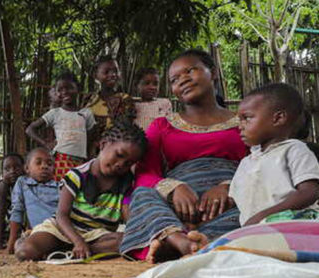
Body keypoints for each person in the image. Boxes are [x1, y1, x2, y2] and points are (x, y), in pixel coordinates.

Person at [120, 49, 248, 263]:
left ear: (213, 73)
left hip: (231, 202)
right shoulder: (162, 125)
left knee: (256, 208)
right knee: (142, 194)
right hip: (178, 208)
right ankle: (181, 240)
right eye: (175, 79)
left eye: (190, 70)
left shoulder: (245, 123)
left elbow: (260, 164)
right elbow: (146, 173)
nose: (183, 80)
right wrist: (174, 189)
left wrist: (229, 187)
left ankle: (187, 241)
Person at [16, 120, 146, 261]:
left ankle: (68, 253)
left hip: (96, 236)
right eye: (119, 155)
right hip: (63, 230)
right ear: (103, 145)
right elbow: (62, 216)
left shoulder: (126, 183)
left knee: (125, 241)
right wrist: (78, 241)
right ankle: (39, 243)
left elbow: (129, 218)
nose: (121, 164)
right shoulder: (77, 175)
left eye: (129, 163)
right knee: (25, 252)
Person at [230, 83, 319, 225]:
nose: (240, 126)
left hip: (296, 226)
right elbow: (238, 201)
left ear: (278, 118)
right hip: (257, 233)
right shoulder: (247, 162)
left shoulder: (294, 150)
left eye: (247, 118)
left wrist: (263, 216)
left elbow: (310, 192)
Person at [25, 72, 96, 181]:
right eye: (60, 90)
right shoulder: (55, 113)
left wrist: (89, 157)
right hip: (60, 159)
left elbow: (91, 138)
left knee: (76, 192)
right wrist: (45, 143)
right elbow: (30, 129)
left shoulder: (86, 113)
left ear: (78, 88)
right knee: (61, 190)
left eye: (69, 88)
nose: (65, 92)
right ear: (56, 93)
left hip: (81, 162)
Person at [6, 148, 58, 254]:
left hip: (59, 229)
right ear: (27, 168)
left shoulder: (60, 187)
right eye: (38, 163)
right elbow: (17, 211)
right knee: (21, 245)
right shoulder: (22, 183)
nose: (44, 166)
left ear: (54, 168)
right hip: (39, 233)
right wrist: (11, 243)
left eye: (49, 164)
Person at [84, 56, 136, 159]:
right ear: (96, 75)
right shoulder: (89, 100)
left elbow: (124, 128)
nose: (112, 75)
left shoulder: (124, 99)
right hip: (88, 152)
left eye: (115, 71)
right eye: (107, 72)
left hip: (114, 152)